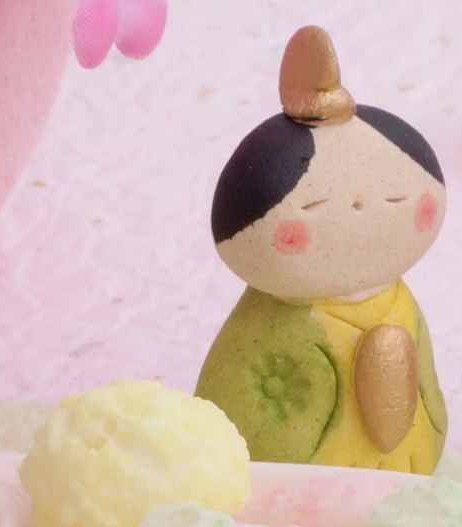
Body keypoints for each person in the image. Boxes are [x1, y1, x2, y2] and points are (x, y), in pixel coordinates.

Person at [192, 25, 448, 473]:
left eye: (394, 202)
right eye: (314, 210)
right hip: (292, 491)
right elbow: (247, 405)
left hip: (408, 471)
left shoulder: (397, 301)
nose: (361, 213)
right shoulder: (277, 319)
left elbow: (422, 377)